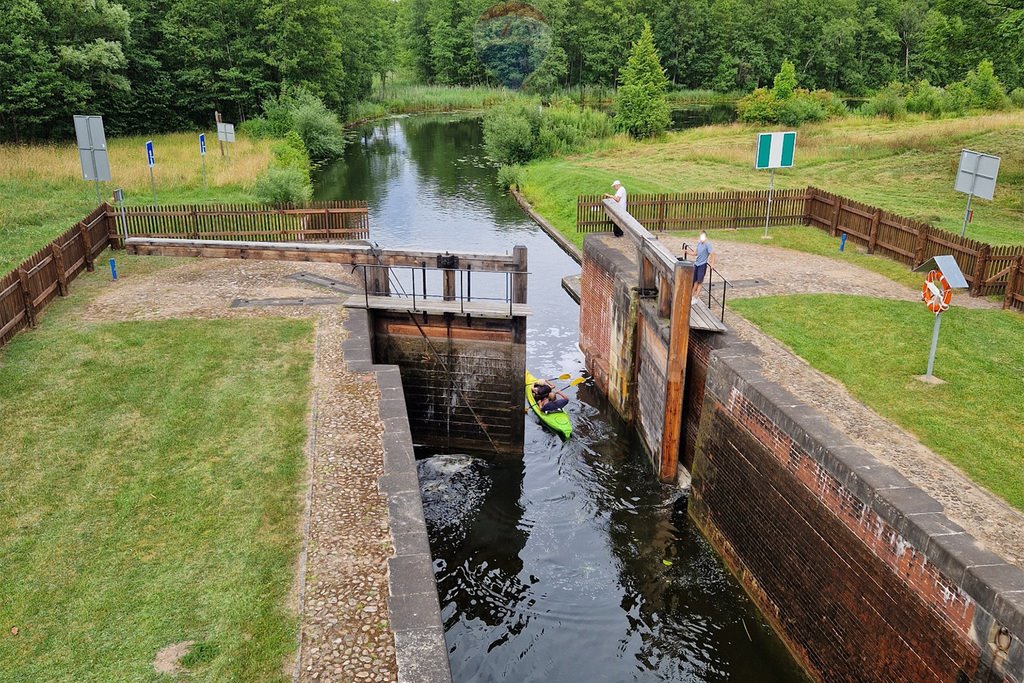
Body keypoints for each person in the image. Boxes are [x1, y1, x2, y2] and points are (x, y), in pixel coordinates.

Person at [683, 231, 716, 299]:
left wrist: (712, 264)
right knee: (695, 280)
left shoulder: (707, 244)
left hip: (702, 264)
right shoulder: (699, 244)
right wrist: (687, 252)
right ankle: (692, 294)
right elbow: (696, 253)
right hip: (697, 264)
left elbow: (713, 254)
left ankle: (696, 296)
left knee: (699, 281)